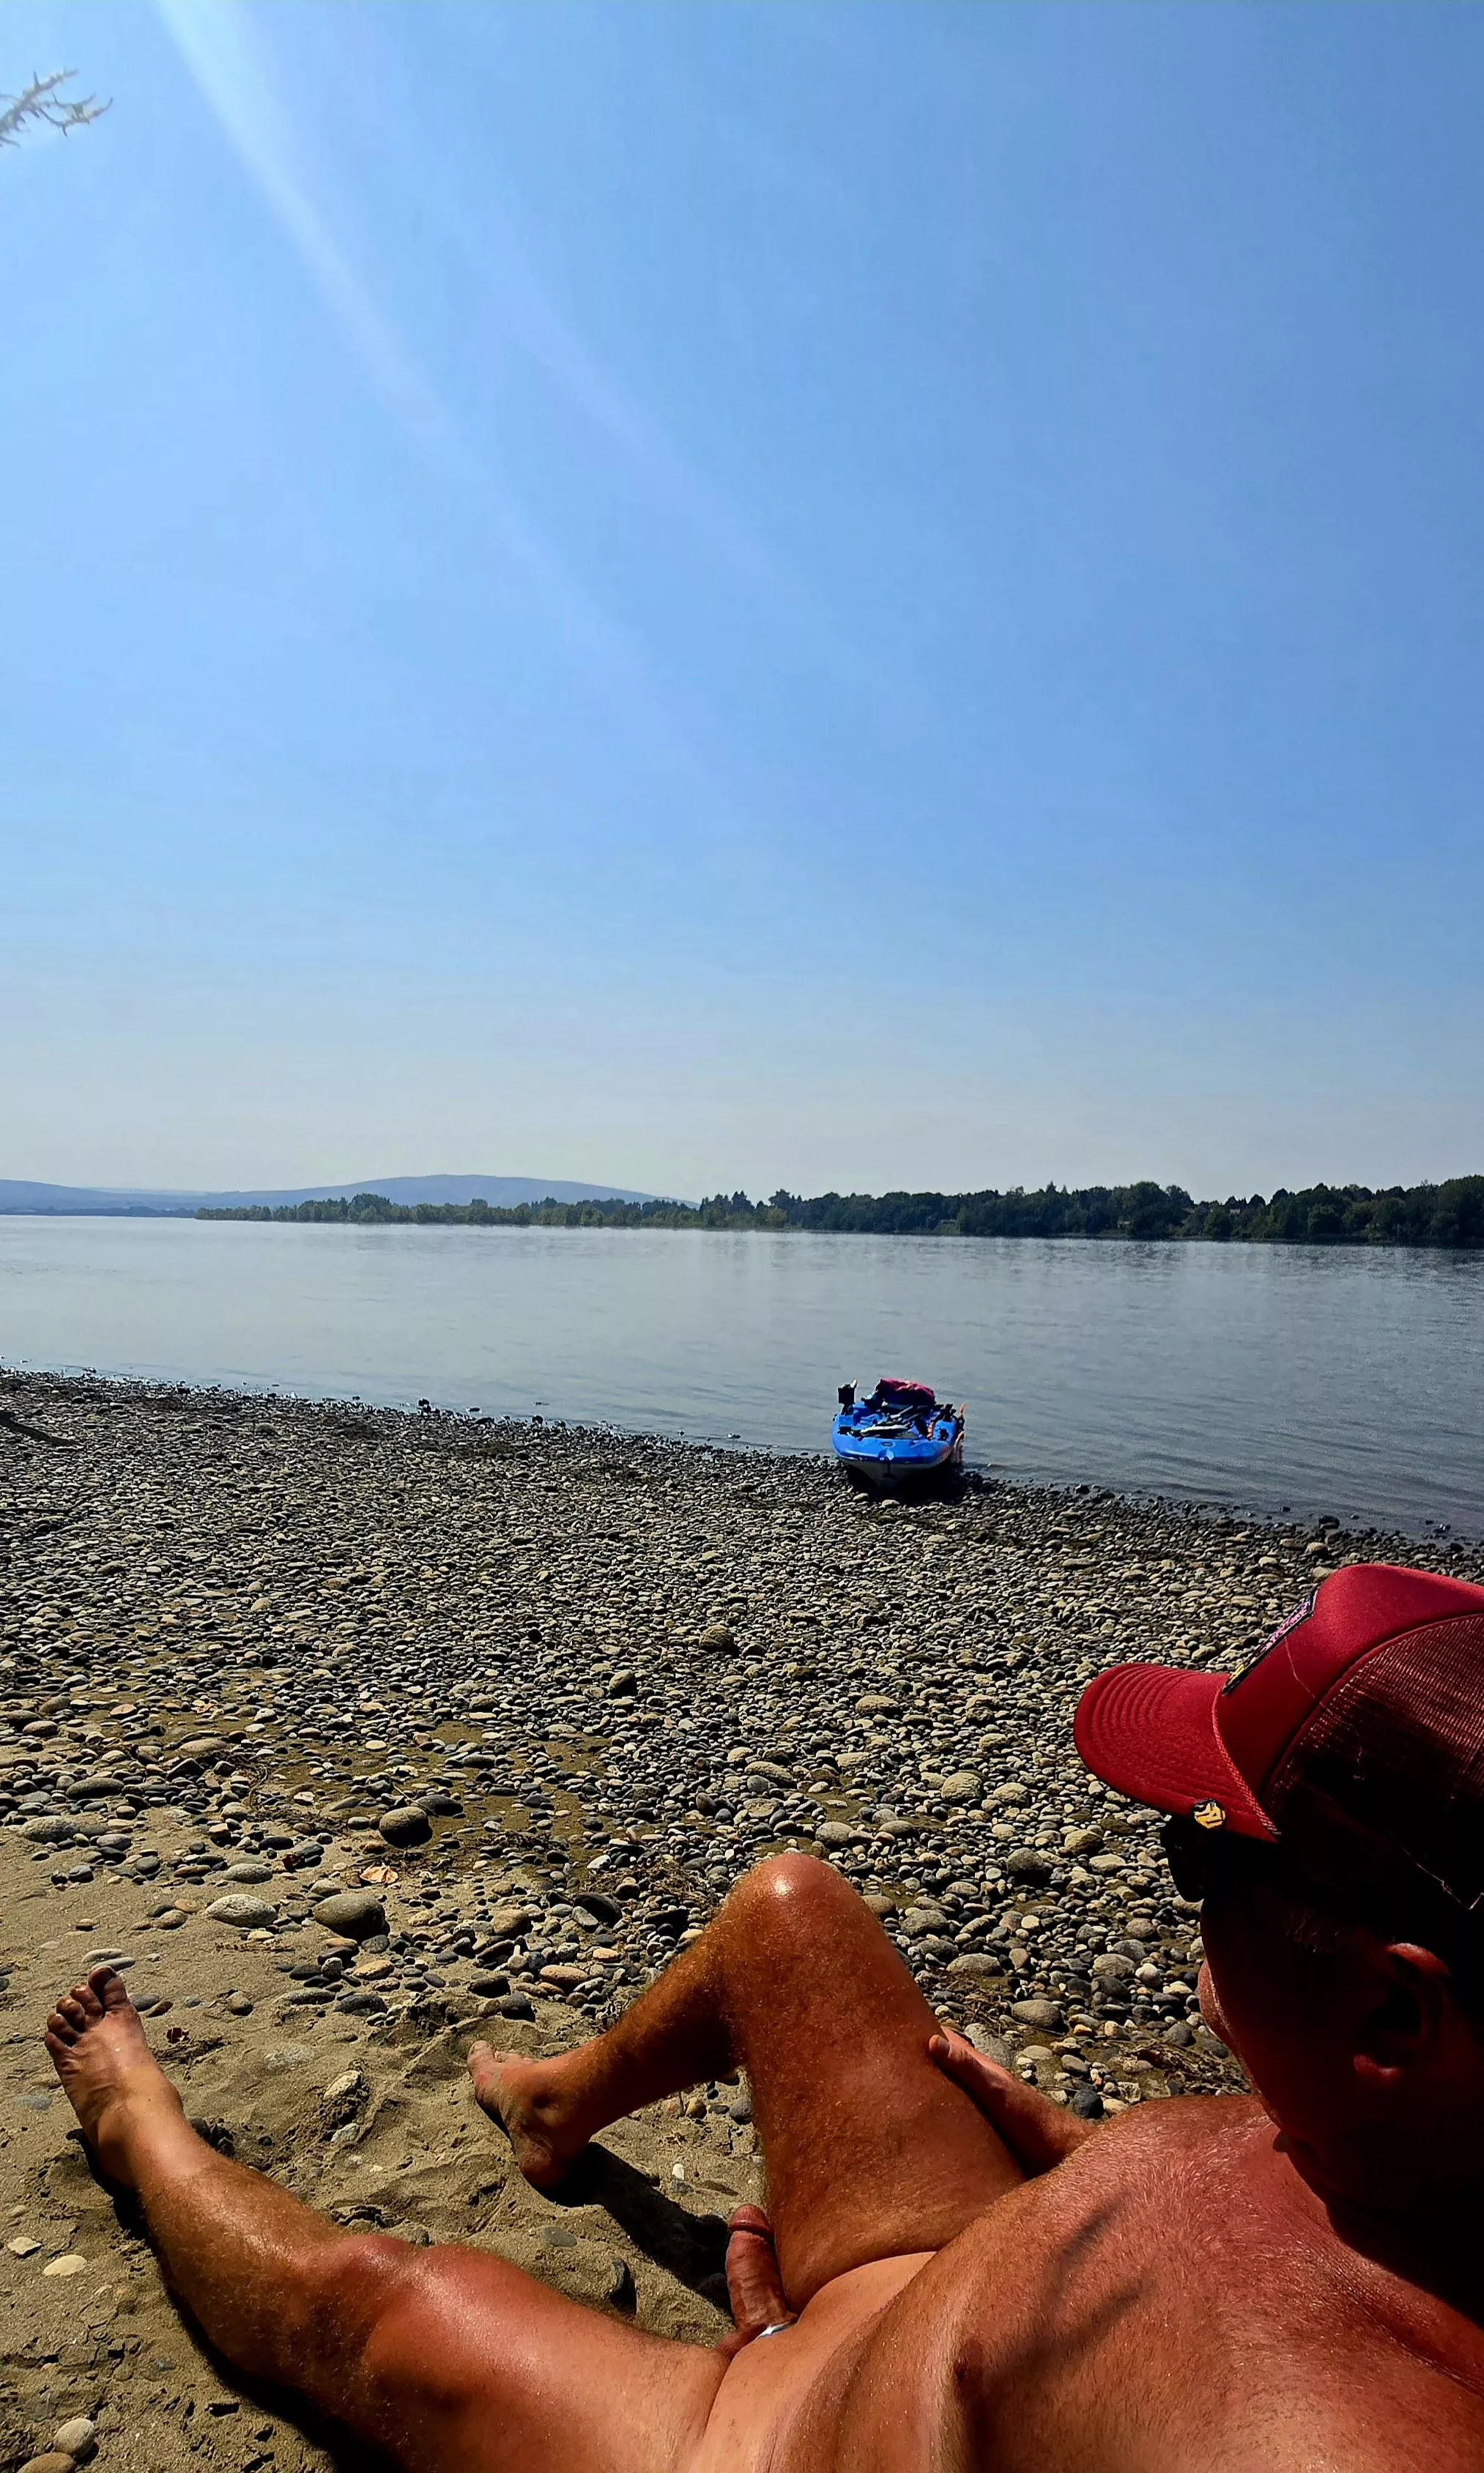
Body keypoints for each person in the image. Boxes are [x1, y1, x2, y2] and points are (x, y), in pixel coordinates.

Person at [45, 1561, 1484, 2471]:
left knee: (381, 2309)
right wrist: (1091, 2154)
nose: (1177, 1883)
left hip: (769, 2434)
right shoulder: (1409, 2131)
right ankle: (555, 2107)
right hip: (960, 2274)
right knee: (787, 1910)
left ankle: (135, 2125)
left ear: (1385, 2006)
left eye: (1199, 1851)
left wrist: (815, 2397)